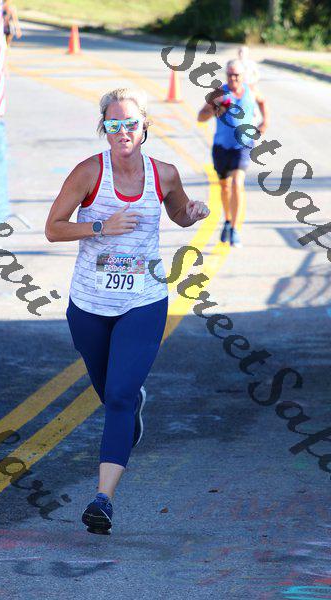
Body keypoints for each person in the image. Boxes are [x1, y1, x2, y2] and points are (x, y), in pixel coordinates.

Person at [45, 87, 210, 535]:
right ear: (105, 128)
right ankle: (133, 408)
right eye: (114, 124)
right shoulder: (88, 173)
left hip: (143, 302)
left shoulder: (164, 173)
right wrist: (101, 225)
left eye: (130, 124)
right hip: (89, 306)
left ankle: (103, 499)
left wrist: (193, 212)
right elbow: (53, 229)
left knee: (118, 396)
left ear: (144, 128)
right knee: (112, 394)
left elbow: (178, 213)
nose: (123, 131)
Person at [197, 59, 268, 248]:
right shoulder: (219, 93)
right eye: (230, 74)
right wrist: (215, 107)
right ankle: (228, 221)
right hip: (221, 147)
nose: (233, 78)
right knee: (225, 187)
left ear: (243, 76)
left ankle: (235, 229)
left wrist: (265, 122)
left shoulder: (251, 91)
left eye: (236, 75)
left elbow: (262, 101)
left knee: (237, 183)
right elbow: (200, 117)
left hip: (243, 146)